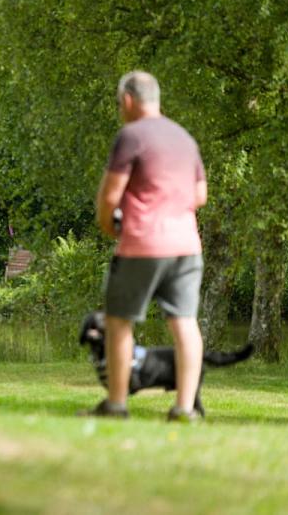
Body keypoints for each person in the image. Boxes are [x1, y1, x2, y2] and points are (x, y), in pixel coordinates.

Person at [82, 71, 208, 422]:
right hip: (186, 246)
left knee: (119, 322)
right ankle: (184, 409)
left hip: (142, 243)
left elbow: (109, 198)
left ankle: (117, 404)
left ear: (127, 101)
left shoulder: (131, 136)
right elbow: (200, 195)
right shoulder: (185, 138)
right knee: (184, 323)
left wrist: (110, 225)